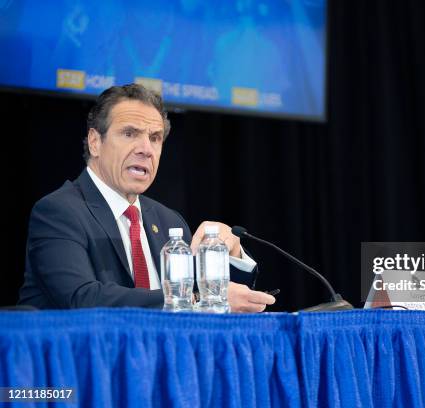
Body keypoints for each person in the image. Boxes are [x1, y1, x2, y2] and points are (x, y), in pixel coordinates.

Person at [18, 84, 275, 312]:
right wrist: (193, 299)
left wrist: (232, 251)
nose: (146, 149)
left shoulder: (167, 221)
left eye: (155, 138)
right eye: (130, 133)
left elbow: (228, 301)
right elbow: (81, 298)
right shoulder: (59, 211)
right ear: (95, 142)